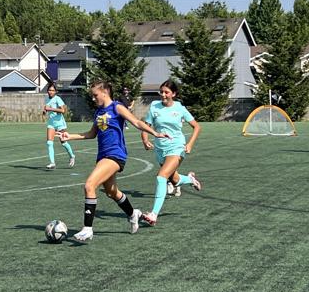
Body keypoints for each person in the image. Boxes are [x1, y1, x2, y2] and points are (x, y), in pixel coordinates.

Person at [58, 79, 168, 243]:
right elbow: (91, 134)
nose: (93, 98)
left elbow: (137, 122)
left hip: (116, 154)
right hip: (103, 156)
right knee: (111, 192)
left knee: (89, 185)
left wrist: (155, 133)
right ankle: (133, 213)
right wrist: (70, 136)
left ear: (105, 92)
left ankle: (87, 229)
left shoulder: (117, 107)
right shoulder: (98, 112)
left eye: (95, 95)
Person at [138, 79, 202, 227]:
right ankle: (190, 179)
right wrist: (145, 140)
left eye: (166, 92)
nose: (163, 95)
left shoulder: (180, 108)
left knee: (161, 177)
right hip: (160, 149)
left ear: (174, 94)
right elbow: (146, 126)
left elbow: (197, 127)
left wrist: (189, 144)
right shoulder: (154, 106)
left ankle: (153, 215)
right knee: (175, 180)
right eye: (161, 92)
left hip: (176, 147)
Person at [42, 83, 75, 169]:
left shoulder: (58, 99)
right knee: (49, 143)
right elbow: (46, 108)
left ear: (56, 91)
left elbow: (63, 110)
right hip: (51, 123)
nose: (51, 92)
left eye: (53, 90)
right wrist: (45, 111)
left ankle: (72, 156)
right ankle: (52, 163)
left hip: (60, 124)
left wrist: (50, 109)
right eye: (49, 90)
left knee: (63, 142)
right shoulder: (46, 98)